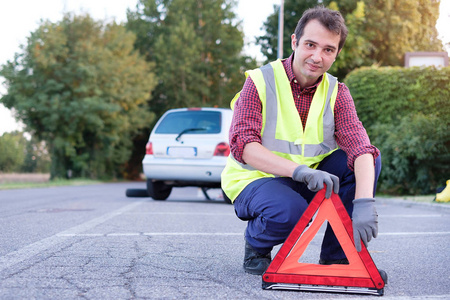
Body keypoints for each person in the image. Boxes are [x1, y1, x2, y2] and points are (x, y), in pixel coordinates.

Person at [221, 6, 382, 275]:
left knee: (365, 160)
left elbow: (360, 147)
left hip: (307, 179)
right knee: (289, 212)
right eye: (310, 44)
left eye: (328, 49)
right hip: (256, 180)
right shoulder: (260, 82)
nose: (317, 57)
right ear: (295, 42)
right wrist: (299, 171)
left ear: (336, 54)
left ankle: (337, 259)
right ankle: (256, 244)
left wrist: (365, 203)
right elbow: (244, 147)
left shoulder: (337, 92)